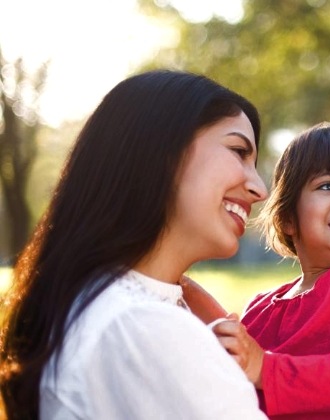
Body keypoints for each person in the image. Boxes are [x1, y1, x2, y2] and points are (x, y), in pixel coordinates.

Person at [0, 70, 269, 419]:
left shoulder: (102, 304)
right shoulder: (141, 323)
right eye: (238, 151)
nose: (260, 189)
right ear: (161, 151)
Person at [183, 122, 330, 420]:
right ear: (288, 218)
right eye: (329, 186)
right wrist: (181, 286)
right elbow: (236, 347)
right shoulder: (263, 303)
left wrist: (265, 369)